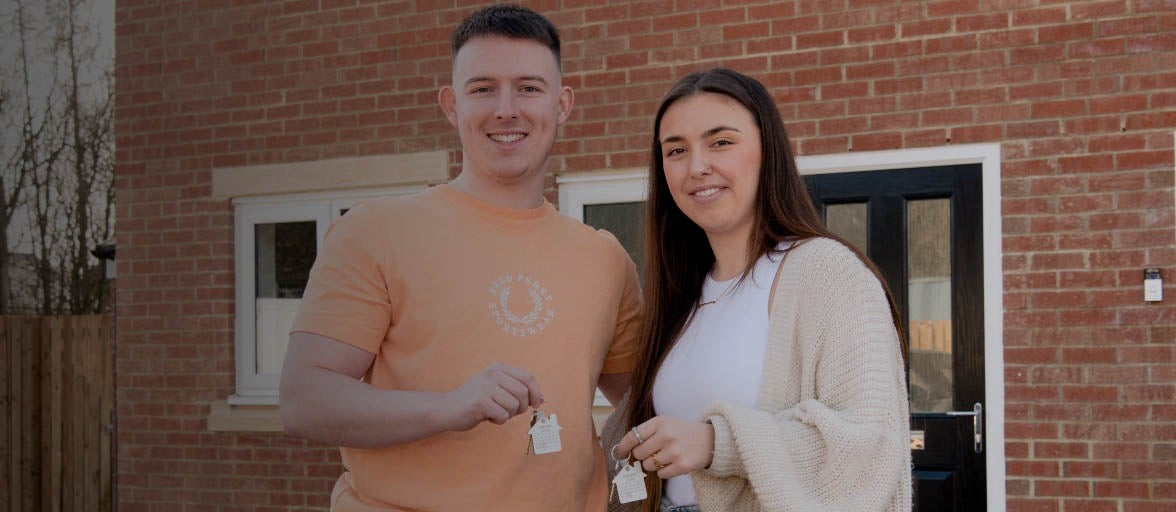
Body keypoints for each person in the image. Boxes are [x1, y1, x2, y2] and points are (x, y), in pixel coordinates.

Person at [279, 5, 643, 511]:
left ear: (562, 104)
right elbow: (304, 401)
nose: (506, 109)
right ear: (452, 105)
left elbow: (644, 398)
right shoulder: (376, 231)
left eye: (529, 88)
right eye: (483, 88)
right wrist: (451, 407)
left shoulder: (604, 258)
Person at [603, 68, 912, 512]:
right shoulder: (683, 296)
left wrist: (717, 442)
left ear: (768, 151)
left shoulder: (826, 272)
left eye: (721, 142)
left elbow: (869, 443)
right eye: (676, 150)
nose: (697, 166)